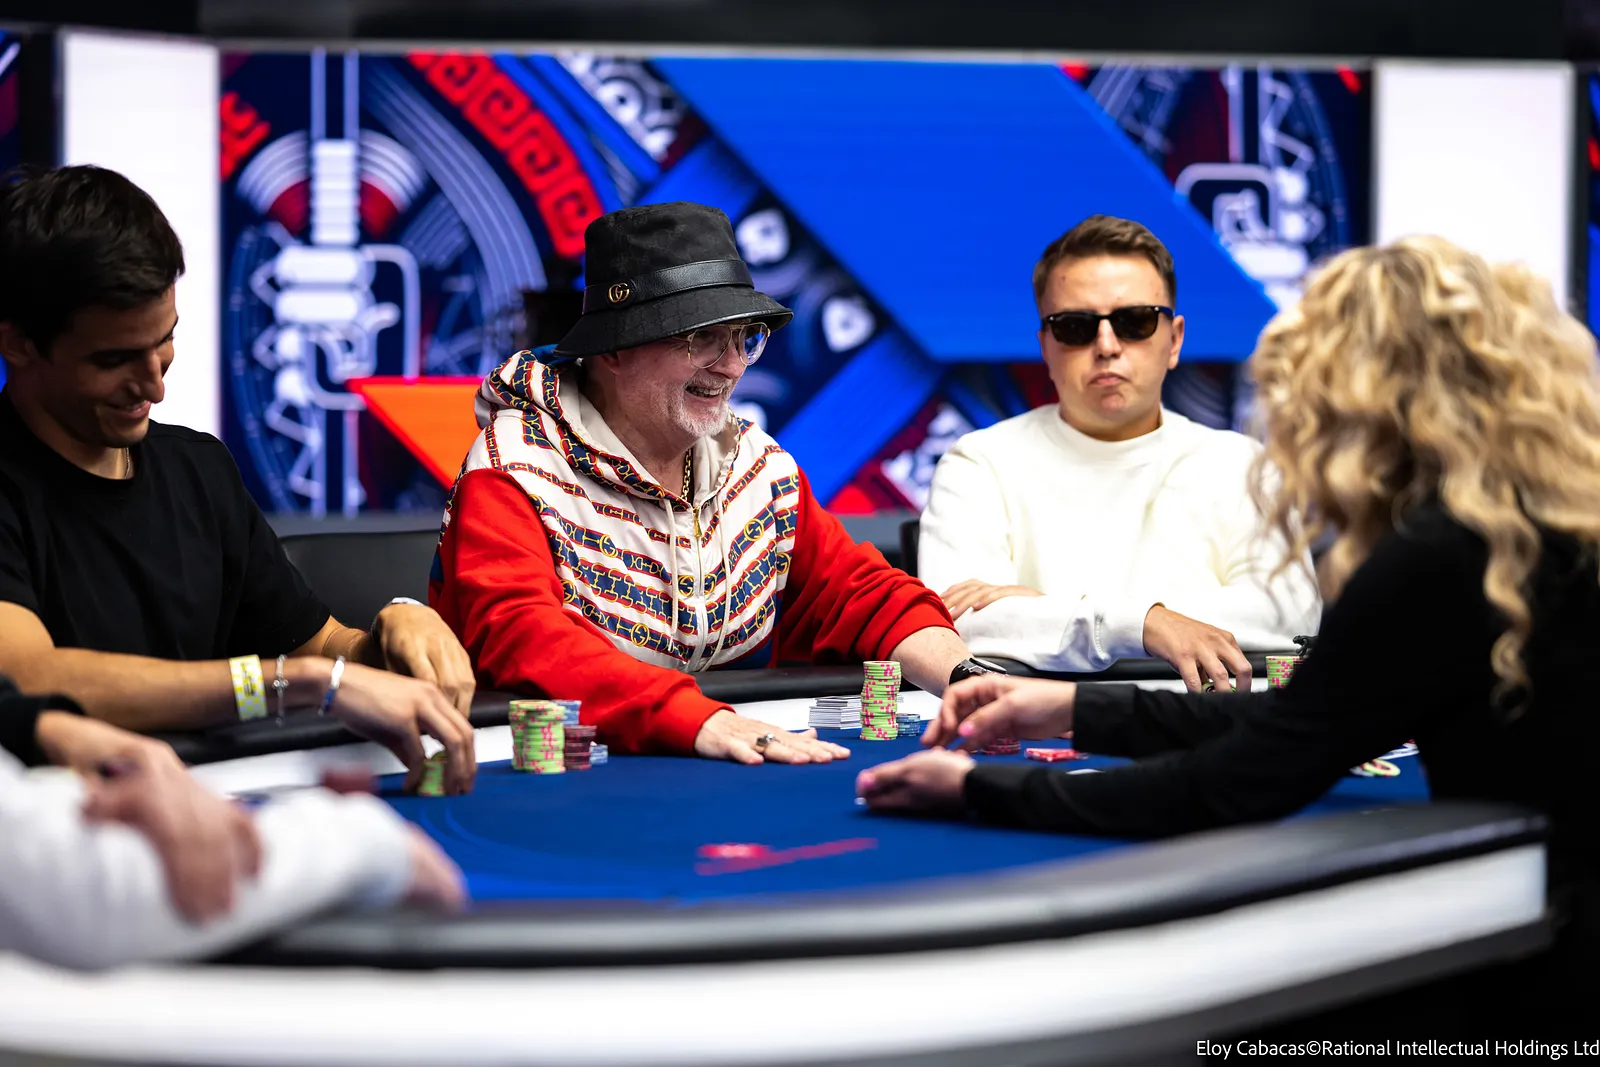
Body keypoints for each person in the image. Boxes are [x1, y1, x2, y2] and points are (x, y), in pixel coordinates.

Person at [857, 236, 1598, 1029]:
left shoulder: (1437, 556)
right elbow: (1312, 713)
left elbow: (1238, 778)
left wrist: (979, 788)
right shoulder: (1546, 530)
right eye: (1075, 325)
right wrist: (1076, 707)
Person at [432, 201, 984, 765]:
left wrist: (969, 681)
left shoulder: (756, 462)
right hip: (553, 780)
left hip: (711, 755)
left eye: (744, 338)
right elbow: (525, 639)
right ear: (615, 348)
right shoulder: (512, 467)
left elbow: (859, 592)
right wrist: (699, 719)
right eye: (701, 338)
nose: (732, 365)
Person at [0, 165, 478, 794]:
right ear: (18, 343)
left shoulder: (199, 469)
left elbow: (319, 649)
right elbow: (26, 680)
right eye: (114, 359)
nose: (154, 386)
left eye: (164, 340)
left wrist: (397, 627)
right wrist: (300, 684)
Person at [918, 215, 1320, 690]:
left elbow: (1290, 617)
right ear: (1046, 347)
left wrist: (1055, 610)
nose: (1106, 345)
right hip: (1044, 726)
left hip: (1201, 721)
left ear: (1174, 340)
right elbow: (955, 628)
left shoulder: (1243, 464)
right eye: (1075, 326)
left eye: (1135, 321)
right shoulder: (980, 463)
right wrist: (1144, 625)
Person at [0, 675, 465, 970]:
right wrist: (372, 841)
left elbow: (314, 633)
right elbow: (83, 893)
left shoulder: (221, 536)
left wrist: (397, 618)